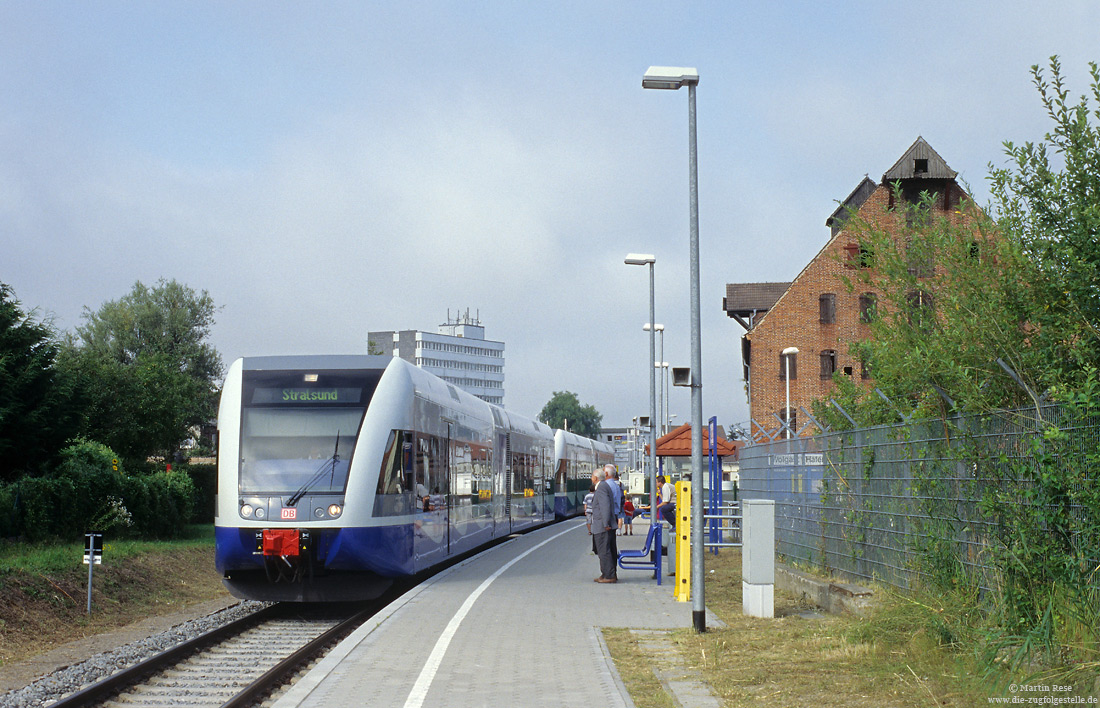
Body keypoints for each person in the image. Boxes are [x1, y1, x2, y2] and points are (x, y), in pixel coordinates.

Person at [589, 468, 618, 583]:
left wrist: (606, 523)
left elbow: (604, 506)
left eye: (592, 476)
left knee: (604, 551)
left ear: (595, 478)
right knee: (606, 550)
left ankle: (609, 576)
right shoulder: (604, 486)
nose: (591, 478)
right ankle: (605, 573)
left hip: (602, 525)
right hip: (604, 525)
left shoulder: (601, 488)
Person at [583, 483, 597, 554]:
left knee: (588, 521)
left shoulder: (587, 496)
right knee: (594, 521)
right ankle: (594, 531)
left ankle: (589, 531)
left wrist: (585, 510)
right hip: (594, 510)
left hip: (588, 510)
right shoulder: (595, 495)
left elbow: (585, 503)